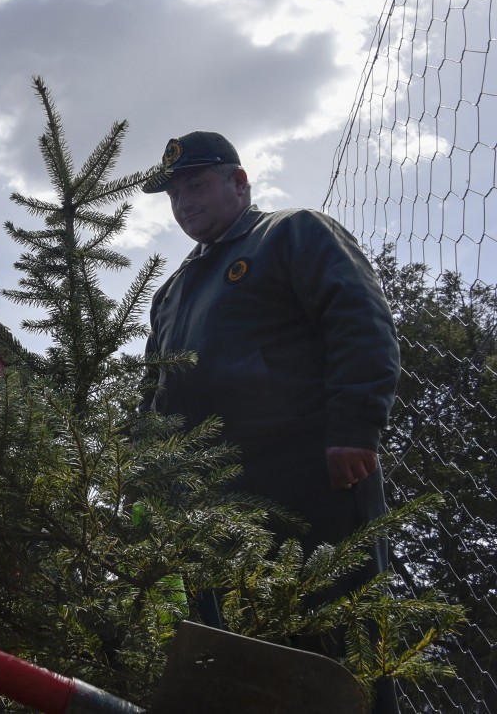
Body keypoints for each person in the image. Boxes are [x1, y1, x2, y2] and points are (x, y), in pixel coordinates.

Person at [141, 130, 400, 714]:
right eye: (174, 193)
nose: (184, 202)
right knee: (240, 659)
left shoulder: (292, 232)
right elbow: (153, 391)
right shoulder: (171, 293)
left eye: (197, 184)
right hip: (209, 499)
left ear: (239, 182)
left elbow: (359, 321)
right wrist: (145, 472)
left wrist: (355, 429)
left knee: (339, 644)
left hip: (310, 476)